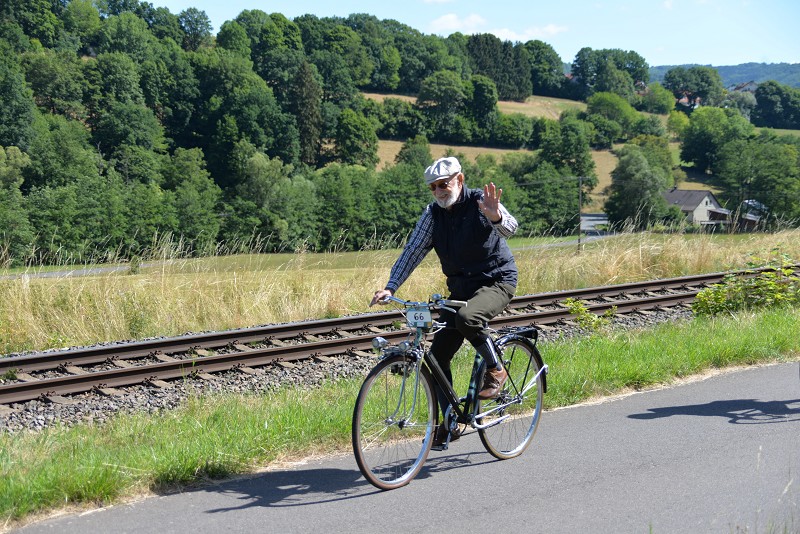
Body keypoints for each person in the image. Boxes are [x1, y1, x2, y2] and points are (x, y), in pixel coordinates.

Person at [370, 156, 519, 445]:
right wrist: (391, 286)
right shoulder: (433, 215)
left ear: (459, 180)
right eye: (433, 187)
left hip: (497, 280)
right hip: (461, 289)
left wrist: (496, 217)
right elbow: (413, 251)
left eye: (443, 184)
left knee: (468, 318)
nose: (438, 191)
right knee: (436, 356)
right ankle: (450, 421)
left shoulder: (480, 202)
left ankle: (496, 369)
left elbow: (511, 227)